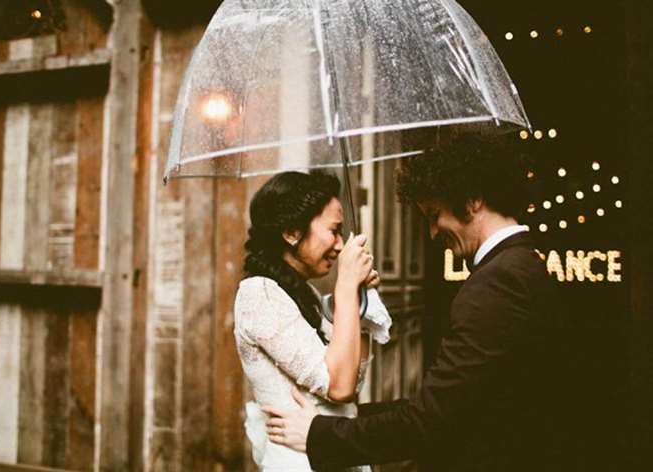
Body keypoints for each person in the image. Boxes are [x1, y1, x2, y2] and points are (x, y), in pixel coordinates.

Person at [263, 134, 570, 472]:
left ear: (471, 201)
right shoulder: (518, 264)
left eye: (434, 215)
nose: (433, 233)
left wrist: (318, 434)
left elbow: (428, 421)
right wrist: (342, 417)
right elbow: (448, 403)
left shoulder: (499, 281)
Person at [234, 170, 390, 471]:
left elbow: (352, 379)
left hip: (331, 451)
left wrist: (357, 299)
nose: (340, 245)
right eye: (334, 231)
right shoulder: (259, 295)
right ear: (292, 232)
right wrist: (344, 287)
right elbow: (339, 387)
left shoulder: (305, 294)